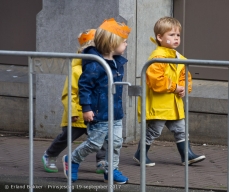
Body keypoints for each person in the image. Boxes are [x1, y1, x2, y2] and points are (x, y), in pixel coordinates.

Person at [62, 18, 131, 184]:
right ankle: (72, 160)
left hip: (115, 112)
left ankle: (111, 169)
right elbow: (84, 86)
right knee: (94, 143)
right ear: (112, 43)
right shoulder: (95, 64)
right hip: (98, 112)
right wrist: (86, 108)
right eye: (124, 42)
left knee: (115, 143)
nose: (126, 45)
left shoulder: (116, 61)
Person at [133, 16, 206, 167]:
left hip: (173, 104)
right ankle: (140, 154)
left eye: (178, 35)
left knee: (181, 129)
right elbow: (156, 80)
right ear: (160, 37)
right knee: (154, 131)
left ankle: (187, 155)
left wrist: (184, 88)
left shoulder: (179, 57)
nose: (176, 38)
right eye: (171, 35)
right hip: (159, 104)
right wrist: (175, 87)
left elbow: (185, 76)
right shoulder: (157, 57)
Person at [42, 29, 106, 174]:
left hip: (95, 112)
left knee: (102, 137)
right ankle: (50, 155)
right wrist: (73, 110)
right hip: (78, 112)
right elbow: (69, 93)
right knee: (66, 137)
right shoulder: (77, 69)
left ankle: (102, 161)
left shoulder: (100, 67)